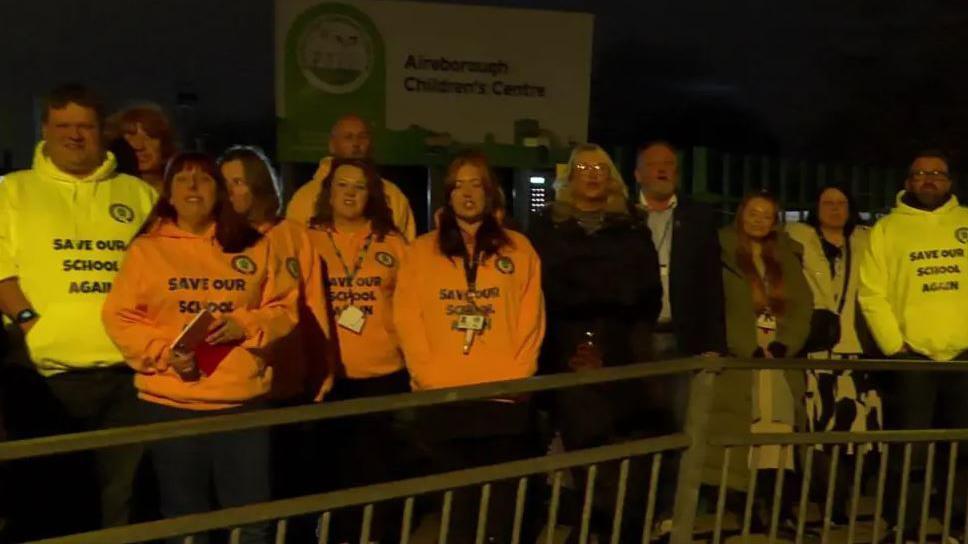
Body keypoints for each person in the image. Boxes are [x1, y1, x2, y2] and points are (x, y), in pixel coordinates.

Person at [102, 152, 299, 544]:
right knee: (184, 520)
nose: (193, 187)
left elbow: (284, 307)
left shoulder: (254, 245)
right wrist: (164, 351)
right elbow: (120, 317)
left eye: (204, 180)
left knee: (252, 519)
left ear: (220, 193)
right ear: (169, 194)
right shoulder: (146, 249)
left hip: (241, 405)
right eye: (183, 180)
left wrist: (243, 324)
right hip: (172, 404)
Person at [0, 83, 157, 532]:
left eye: (85, 126)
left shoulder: (136, 194)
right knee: (48, 499)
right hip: (43, 375)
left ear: (101, 133)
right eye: (64, 125)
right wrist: (30, 323)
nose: (74, 135)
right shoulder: (13, 191)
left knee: (120, 503)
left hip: (125, 376)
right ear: (45, 129)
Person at [394, 151, 545, 543]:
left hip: (504, 396)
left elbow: (532, 319)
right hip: (446, 396)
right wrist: (428, 377)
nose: (467, 193)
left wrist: (517, 377)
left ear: (491, 192)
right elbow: (408, 321)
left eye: (475, 183)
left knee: (502, 509)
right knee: (459, 509)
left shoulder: (519, 249)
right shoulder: (420, 251)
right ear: (446, 195)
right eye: (458, 185)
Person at [527, 143, 662, 541]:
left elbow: (647, 292)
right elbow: (544, 288)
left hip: (624, 353)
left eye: (600, 166)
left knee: (625, 459)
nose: (591, 173)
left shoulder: (632, 226)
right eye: (583, 166)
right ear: (570, 175)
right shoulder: (546, 225)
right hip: (566, 350)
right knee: (585, 455)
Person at [859, 150, 968, 539]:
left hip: (964, 356)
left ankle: (959, 521)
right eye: (920, 173)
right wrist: (895, 347)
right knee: (909, 447)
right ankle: (905, 524)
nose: (929, 180)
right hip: (912, 356)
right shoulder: (887, 230)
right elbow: (872, 294)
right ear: (908, 182)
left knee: (961, 446)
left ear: (949, 182)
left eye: (937, 174)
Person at [305, 157, 411, 542]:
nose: (350, 194)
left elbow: (413, 305)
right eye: (342, 186)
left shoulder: (393, 242)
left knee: (379, 475)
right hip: (327, 378)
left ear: (372, 195)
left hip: (384, 375)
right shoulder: (308, 239)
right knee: (331, 475)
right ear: (329, 194)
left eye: (359, 187)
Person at [711, 191, 812, 530]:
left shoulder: (785, 255)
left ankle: (779, 508)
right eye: (753, 212)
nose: (758, 220)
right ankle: (747, 508)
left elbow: (802, 307)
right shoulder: (721, 252)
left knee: (779, 431)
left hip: (779, 357)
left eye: (766, 215)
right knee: (745, 432)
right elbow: (719, 308)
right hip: (743, 356)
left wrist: (786, 344)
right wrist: (743, 345)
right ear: (741, 213)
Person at [786, 183, 881, 523]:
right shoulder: (798, 238)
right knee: (818, 429)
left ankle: (845, 500)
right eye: (827, 202)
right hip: (816, 349)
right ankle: (826, 501)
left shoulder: (867, 240)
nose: (835, 208)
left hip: (855, 348)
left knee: (856, 431)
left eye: (842, 203)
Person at [218, 145, 332, 403]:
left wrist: (324, 363)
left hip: (290, 375)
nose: (229, 192)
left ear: (258, 185)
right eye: (224, 183)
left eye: (238, 182)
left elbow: (314, 304)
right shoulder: (215, 237)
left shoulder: (293, 235)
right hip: (236, 380)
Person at [633, 141, 726, 360]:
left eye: (668, 164)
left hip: (685, 340)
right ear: (638, 175)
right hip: (635, 338)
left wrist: (714, 343)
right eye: (654, 164)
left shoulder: (698, 218)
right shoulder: (624, 216)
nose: (662, 169)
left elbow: (712, 284)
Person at [286, 114, 416, 240]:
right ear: (332, 145)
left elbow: (406, 248)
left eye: (363, 137)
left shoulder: (392, 194)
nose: (356, 143)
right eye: (348, 137)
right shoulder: (306, 196)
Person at [106, 104, 176, 192]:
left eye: (149, 137)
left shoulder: (182, 192)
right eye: (130, 138)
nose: (139, 146)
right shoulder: (106, 191)